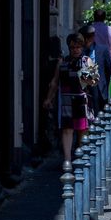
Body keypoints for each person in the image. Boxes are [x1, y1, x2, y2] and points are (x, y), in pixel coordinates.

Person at [43, 33, 97, 167]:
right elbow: (55, 82)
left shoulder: (87, 61)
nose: (76, 50)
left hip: (82, 99)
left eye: (78, 47)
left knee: (82, 130)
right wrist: (48, 99)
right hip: (66, 100)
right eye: (73, 47)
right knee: (67, 129)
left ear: (82, 47)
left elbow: (95, 81)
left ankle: (81, 155)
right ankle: (67, 159)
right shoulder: (63, 62)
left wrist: (89, 79)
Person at [78, 25, 111, 117]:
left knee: (99, 113)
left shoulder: (102, 49)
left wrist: (104, 84)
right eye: (85, 38)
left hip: (99, 86)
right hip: (84, 86)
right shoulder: (79, 50)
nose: (87, 40)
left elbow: (108, 69)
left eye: (90, 37)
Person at [92, 8, 111, 78]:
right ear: (104, 18)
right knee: (106, 84)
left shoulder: (90, 30)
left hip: (92, 59)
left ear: (94, 17)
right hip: (107, 60)